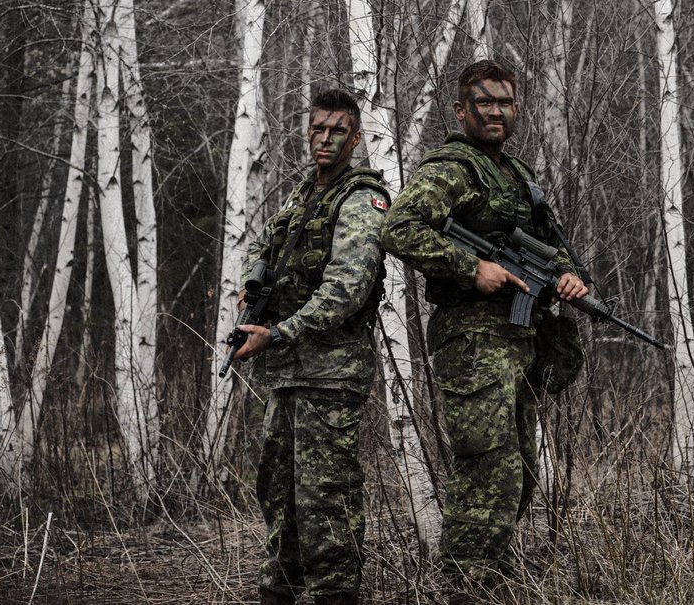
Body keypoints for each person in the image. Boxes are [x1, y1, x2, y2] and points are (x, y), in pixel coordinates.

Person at [380, 59, 587, 590]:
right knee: (489, 473)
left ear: (517, 109)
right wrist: (472, 268)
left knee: (519, 474)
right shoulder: (453, 168)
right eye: (484, 101)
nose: (496, 111)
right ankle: (462, 586)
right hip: (473, 341)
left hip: (519, 341)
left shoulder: (518, 176)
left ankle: (487, 578)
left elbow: (554, 245)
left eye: (505, 102)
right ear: (461, 109)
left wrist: (567, 276)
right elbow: (398, 226)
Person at [230, 88, 389, 605]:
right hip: (288, 374)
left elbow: (345, 289)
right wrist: (254, 282)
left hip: (332, 377)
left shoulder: (362, 199)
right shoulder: (304, 195)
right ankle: (277, 594)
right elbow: (266, 240)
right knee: (279, 498)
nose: (325, 139)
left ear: (356, 137)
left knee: (326, 505)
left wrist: (278, 332)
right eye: (317, 129)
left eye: (337, 130)